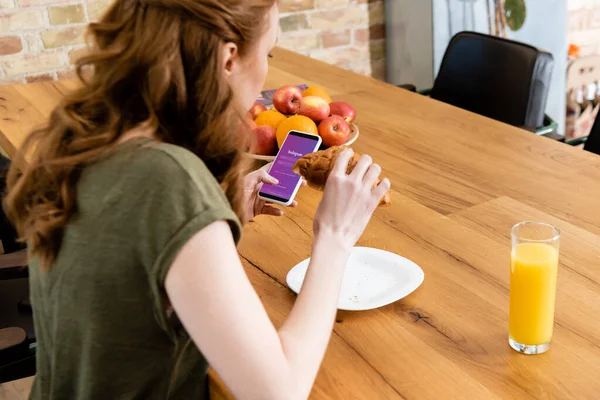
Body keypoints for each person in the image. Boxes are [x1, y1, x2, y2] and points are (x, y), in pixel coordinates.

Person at [2, 0, 390, 398]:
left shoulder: (85, 131)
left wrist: (210, 214)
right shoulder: (169, 182)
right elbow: (279, 390)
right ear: (228, 59)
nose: (265, 73)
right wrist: (335, 236)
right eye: (268, 52)